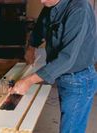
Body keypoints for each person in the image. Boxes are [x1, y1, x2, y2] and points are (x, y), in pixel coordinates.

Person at [9, 0, 97, 132]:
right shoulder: (50, 4)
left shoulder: (79, 9)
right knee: (67, 121)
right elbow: (40, 27)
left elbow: (66, 59)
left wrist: (29, 81)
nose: (41, 1)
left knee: (71, 129)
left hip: (79, 79)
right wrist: (31, 47)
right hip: (63, 75)